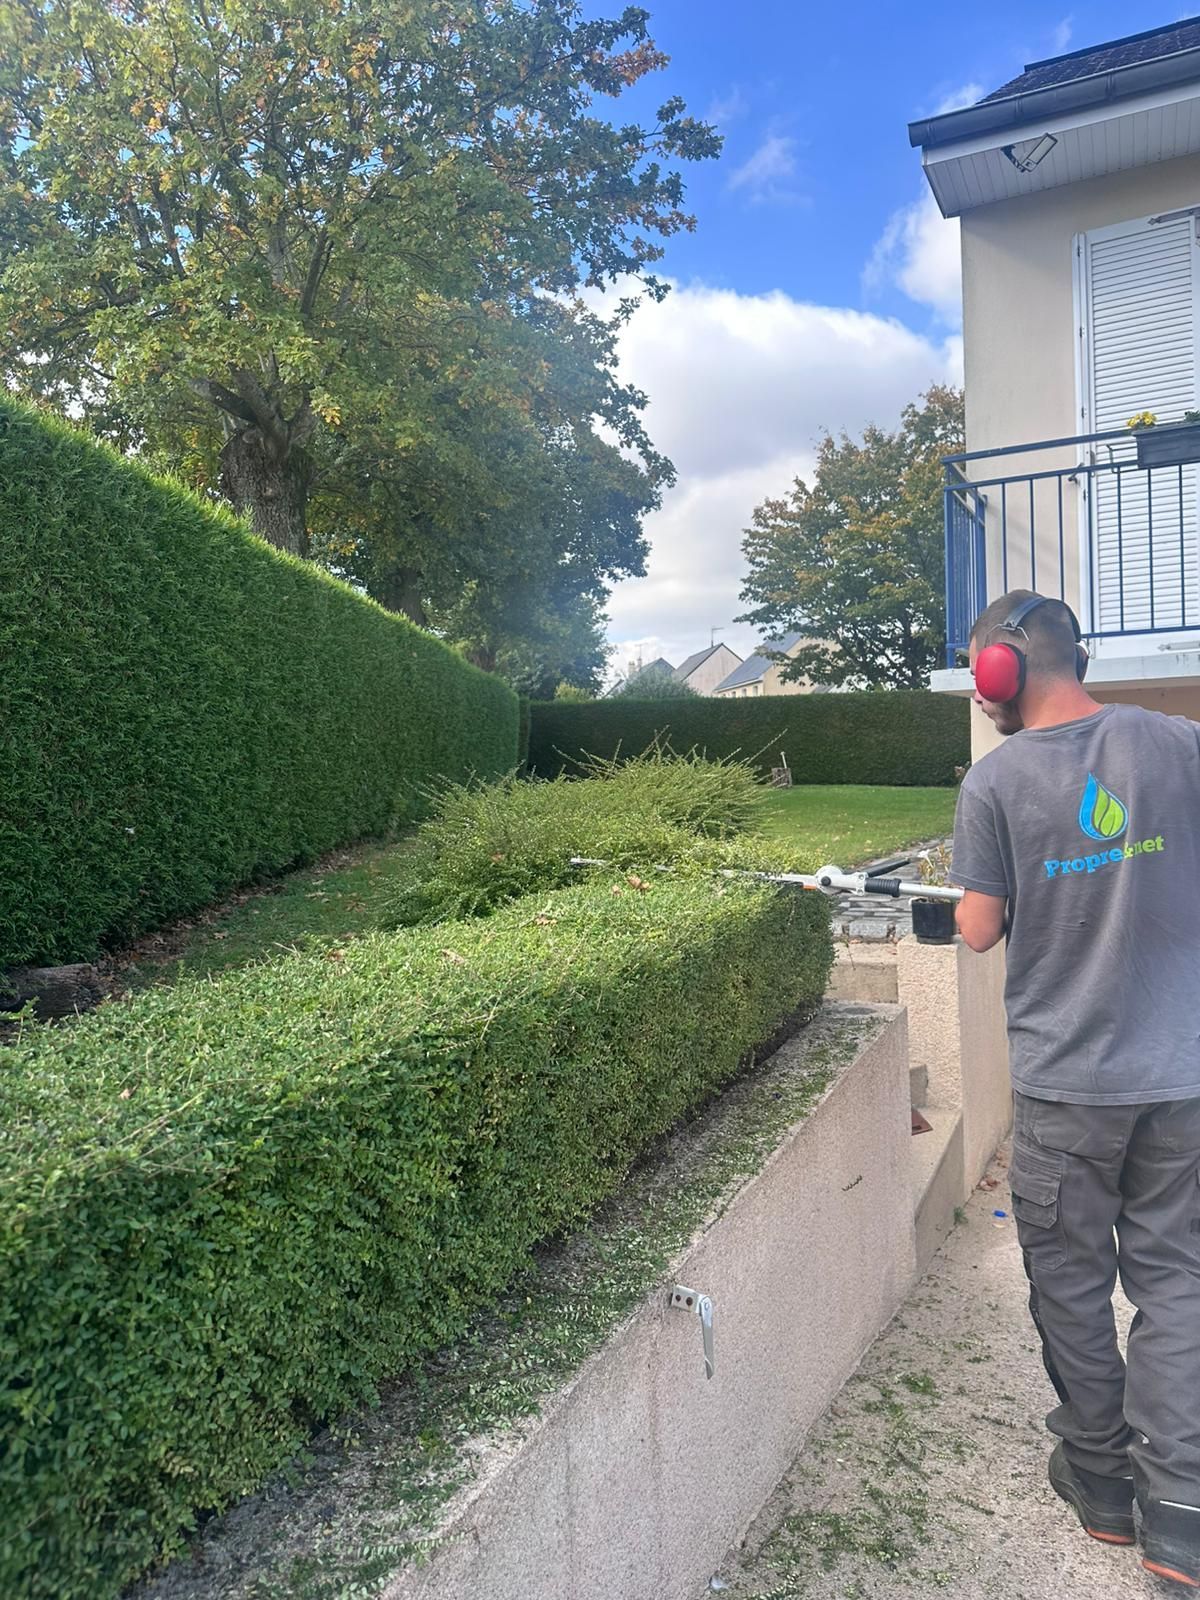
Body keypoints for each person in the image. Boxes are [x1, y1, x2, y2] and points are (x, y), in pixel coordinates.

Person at [952, 589, 1200, 1589]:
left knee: (1070, 1281)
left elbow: (977, 930)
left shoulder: (995, 781)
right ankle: (1180, 1511)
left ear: (998, 673)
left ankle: (1102, 1485)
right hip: (1180, 1078)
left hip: (1068, 1089)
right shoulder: (1179, 743)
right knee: (1176, 1279)